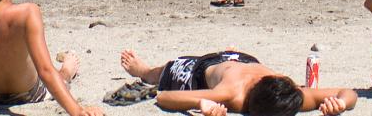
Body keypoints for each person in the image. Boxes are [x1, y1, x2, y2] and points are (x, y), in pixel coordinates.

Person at [120, 48, 354, 116]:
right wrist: (202, 101)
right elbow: (164, 96)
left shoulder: (288, 93)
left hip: (241, 59)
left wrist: (341, 104)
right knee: (164, 73)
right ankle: (146, 70)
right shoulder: (233, 95)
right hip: (202, 72)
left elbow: (348, 92)